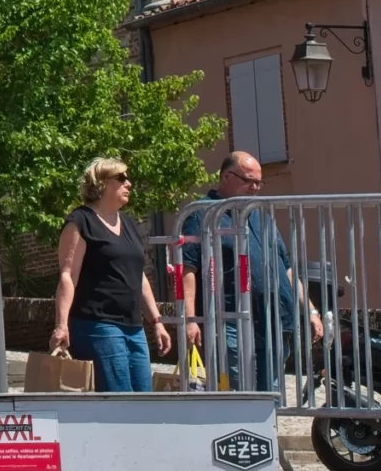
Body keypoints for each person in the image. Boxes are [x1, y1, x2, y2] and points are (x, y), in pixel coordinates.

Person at [179, 151, 322, 391]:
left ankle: (267, 429)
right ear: (226, 176)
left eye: (259, 182)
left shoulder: (261, 217)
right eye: (249, 181)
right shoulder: (202, 214)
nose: (255, 188)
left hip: (272, 319)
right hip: (229, 320)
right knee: (238, 393)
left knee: (271, 394)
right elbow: (187, 269)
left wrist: (310, 309)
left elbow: (286, 268)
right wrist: (190, 319)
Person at [51, 157, 170, 391]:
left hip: (134, 327)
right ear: (102, 183)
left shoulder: (127, 223)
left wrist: (156, 321)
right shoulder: (80, 221)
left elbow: (139, 276)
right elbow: (68, 276)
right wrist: (61, 325)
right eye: (122, 178)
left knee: (145, 399)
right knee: (118, 399)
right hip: (98, 325)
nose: (130, 184)